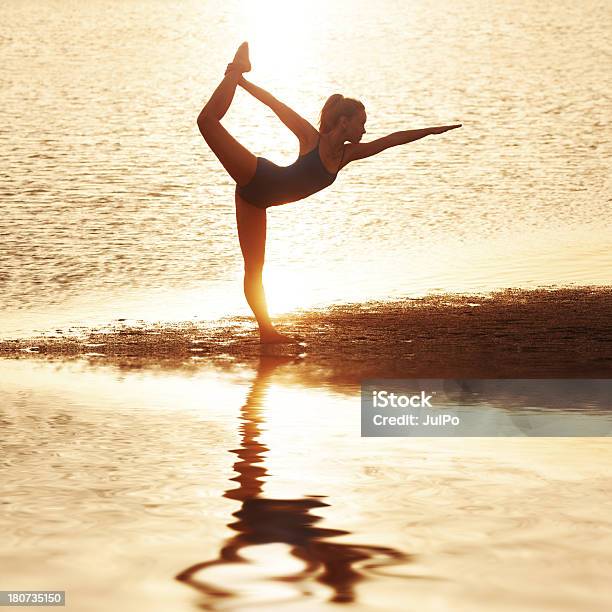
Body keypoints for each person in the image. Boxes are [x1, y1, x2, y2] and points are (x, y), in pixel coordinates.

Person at [197, 42, 461, 344]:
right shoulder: (311, 138)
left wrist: (431, 131)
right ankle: (235, 69)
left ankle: (267, 334)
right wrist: (242, 81)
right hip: (256, 175)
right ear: (344, 122)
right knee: (206, 122)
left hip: (255, 202)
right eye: (361, 123)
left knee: (255, 268)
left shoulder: (346, 156)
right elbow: (274, 103)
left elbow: (391, 140)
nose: (365, 130)